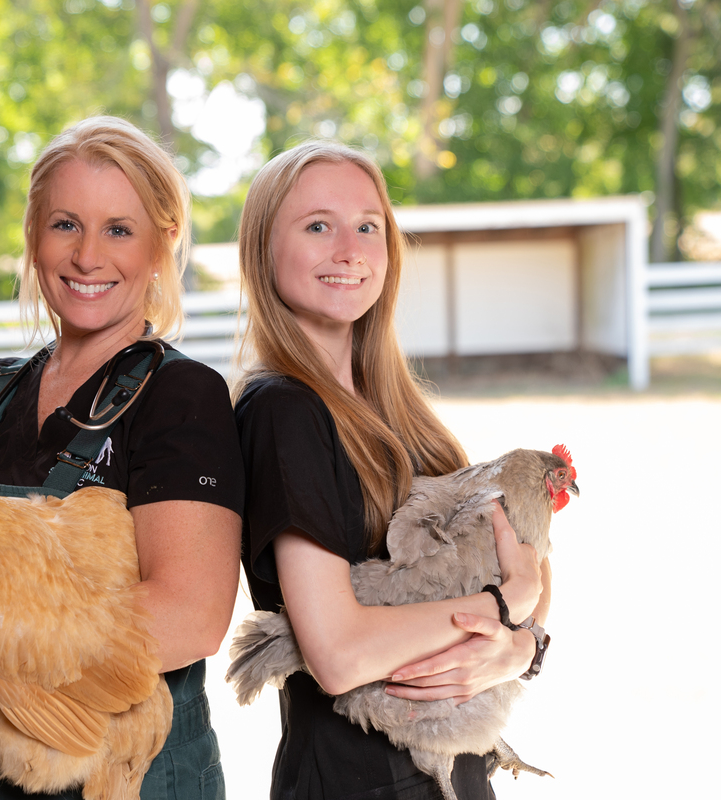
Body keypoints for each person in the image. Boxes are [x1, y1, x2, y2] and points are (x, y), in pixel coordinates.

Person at [0, 116, 245, 799]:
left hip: (118, 769)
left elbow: (189, 614)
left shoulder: (180, 395)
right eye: (64, 225)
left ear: (161, 246)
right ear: (32, 236)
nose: (87, 256)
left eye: (118, 229)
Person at [234, 140, 550, 800]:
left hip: (453, 774)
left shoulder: (406, 417)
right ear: (264, 249)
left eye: (367, 226)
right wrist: (500, 608)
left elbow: (518, 571)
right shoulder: (283, 411)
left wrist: (521, 648)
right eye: (317, 225)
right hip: (361, 782)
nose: (348, 249)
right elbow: (339, 653)